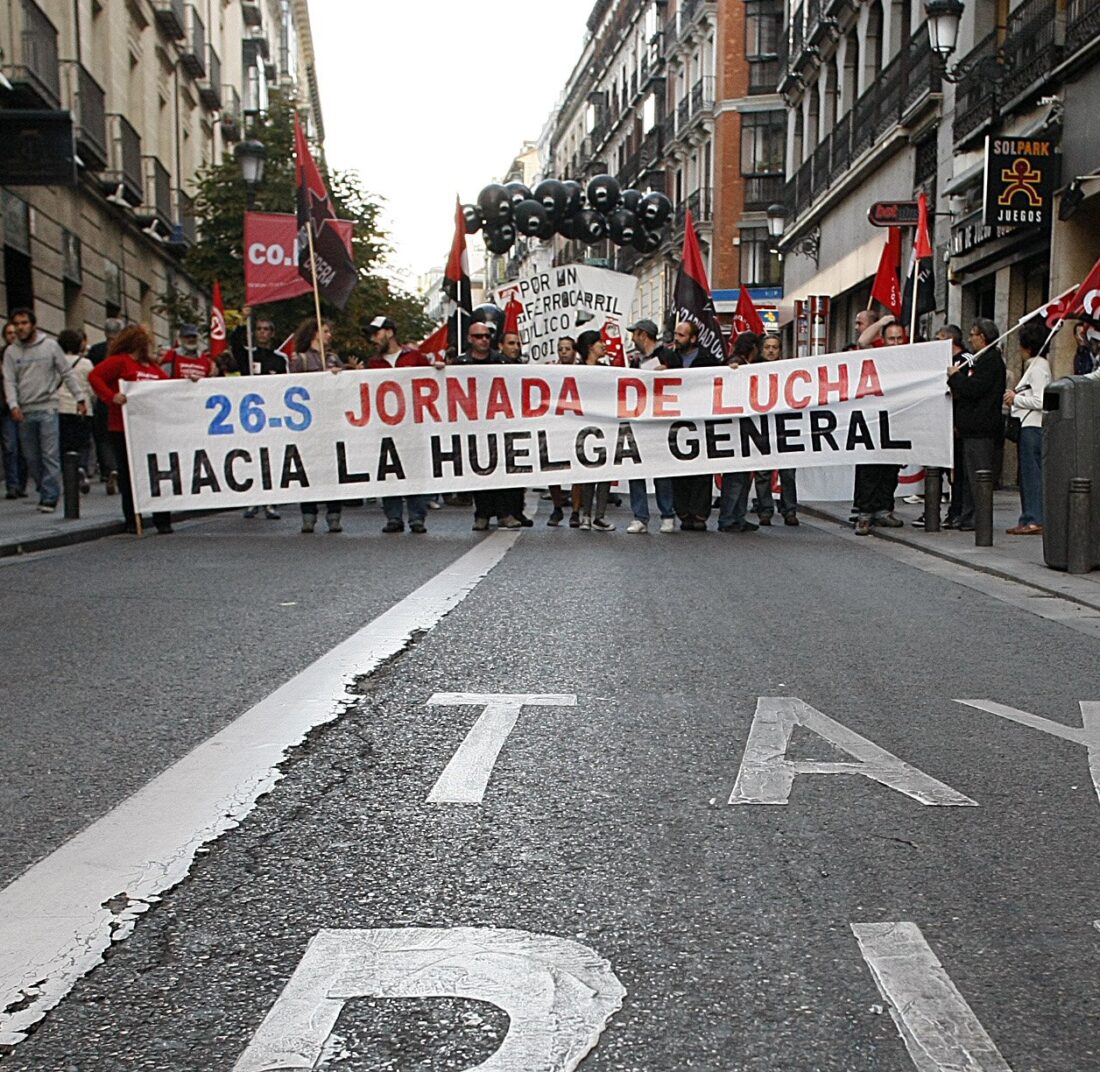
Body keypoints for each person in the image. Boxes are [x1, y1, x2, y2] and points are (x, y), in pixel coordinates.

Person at [86, 325, 172, 534]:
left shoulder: (152, 367)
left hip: (150, 429)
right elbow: (95, 377)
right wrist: (111, 397)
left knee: (155, 472)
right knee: (128, 473)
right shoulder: (120, 362)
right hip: (123, 428)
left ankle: (163, 518)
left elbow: (169, 386)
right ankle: (132, 518)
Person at [2, 308, 88, 512]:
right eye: (17, 323)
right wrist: (13, 405)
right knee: (31, 456)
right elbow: (9, 380)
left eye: (24, 323)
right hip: (25, 409)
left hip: (48, 406)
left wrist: (80, 398)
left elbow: (66, 372)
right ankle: (44, 488)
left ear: (33, 324)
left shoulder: (50, 347)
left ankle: (50, 496)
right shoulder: (11, 352)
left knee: (50, 454)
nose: (20, 327)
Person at [365, 315, 437, 534]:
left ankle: (417, 516)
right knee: (389, 470)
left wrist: (440, 370)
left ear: (389, 332)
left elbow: (431, 382)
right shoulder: (373, 363)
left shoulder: (415, 357)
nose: (373, 339)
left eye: (376, 333)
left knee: (415, 469)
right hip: (386, 426)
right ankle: (393, 517)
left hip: (413, 425)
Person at [457, 322, 520, 531]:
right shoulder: (460, 364)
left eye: (487, 335)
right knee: (479, 471)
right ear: (470, 339)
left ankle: (505, 513)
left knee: (502, 469)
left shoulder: (502, 362)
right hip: (474, 427)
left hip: (500, 424)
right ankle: (482, 514)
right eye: (478, 336)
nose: (483, 339)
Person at [947, 318, 1006, 533]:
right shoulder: (982, 359)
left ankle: (976, 517)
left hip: (981, 428)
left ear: (982, 337)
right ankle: (967, 515)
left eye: (973, 334)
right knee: (968, 476)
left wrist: (955, 378)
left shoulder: (991, 361)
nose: (970, 339)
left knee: (977, 476)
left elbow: (975, 389)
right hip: (971, 429)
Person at [853, 321, 908, 535]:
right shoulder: (875, 356)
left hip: (897, 420)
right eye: (891, 338)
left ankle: (884, 510)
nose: (895, 343)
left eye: (899, 338)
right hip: (873, 422)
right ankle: (864, 514)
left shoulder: (912, 357)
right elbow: (862, 341)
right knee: (870, 468)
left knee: (890, 468)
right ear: (883, 340)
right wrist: (882, 322)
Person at [290, 318, 344, 533]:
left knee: (333, 468)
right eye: (325, 331)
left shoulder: (333, 359)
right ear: (314, 333)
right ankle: (308, 513)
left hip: (331, 421)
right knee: (308, 468)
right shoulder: (300, 360)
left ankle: (334, 514)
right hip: (308, 424)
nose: (329, 335)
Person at [668, 320, 722, 530]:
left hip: (701, 422)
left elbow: (723, 375)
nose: (677, 338)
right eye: (676, 334)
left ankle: (699, 514)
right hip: (675, 422)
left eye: (681, 335)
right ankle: (683, 512)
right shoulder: (670, 359)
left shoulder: (707, 360)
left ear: (693, 338)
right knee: (678, 469)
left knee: (701, 470)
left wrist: (733, 369)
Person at [625, 319, 676, 534]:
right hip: (640, 421)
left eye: (634, 334)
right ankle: (640, 517)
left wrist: (669, 373)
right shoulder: (636, 362)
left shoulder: (668, 356)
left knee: (661, 470)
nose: (632, 338)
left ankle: (667, 514)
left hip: (662, 422)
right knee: (636, 468)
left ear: (642, 334)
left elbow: (685, 380)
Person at [1004, 318, 1051, 536]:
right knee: (1027, 475)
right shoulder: (1034, 367)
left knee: (1032, 475)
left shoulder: (1039, 368)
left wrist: (1016, 399)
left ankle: (1034, 518)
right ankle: (1029, 516)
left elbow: (1042, 401)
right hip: (1027, 425)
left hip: (1033, 426)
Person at [751, 335, 799, 526]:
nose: (771, 351)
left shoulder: (788, 372)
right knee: (763, 472)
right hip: (762, 426)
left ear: (780, 351)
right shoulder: (753, 371)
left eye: (775, 347)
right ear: (762, 349)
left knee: (788, 472)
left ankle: (789, 510)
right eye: (768, 347)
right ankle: (765, 510)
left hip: (784, 426)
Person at [717, 332, 761, 533]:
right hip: (736, 430)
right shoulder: (734, 365)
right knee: (736, 478)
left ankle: (738, 517)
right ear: (752, 348)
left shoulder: (746, 365)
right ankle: (728, 519)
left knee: (743, 477)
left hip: (744, 428)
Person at [573, 330, 614, 531]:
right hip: (583, 425)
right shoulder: (577, 370)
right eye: (600, 342)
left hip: (605, 425)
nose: (604, 345)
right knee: (587, 473)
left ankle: (599, 516)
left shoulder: (607, 369)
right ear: (590, 346)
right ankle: (586, 515)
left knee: (604, 472)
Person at [86, 317, 123, 494]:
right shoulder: (125, 352)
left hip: (103, 400)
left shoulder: (96, 350)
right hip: (121, 399)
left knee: (103, 438)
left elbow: (92, 375)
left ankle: (109, 469)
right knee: (118, 435)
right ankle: (118, 467)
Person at [57, 329, 94, 494]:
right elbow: (92, 389)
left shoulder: (56, 362)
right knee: (83, 443)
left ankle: (68, 476)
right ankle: (82, 468)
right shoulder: (86, 363)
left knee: (64, 444)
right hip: (82, 409)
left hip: (60, 407)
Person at [1, 319, 27, 498]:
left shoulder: (25, 354)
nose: (12, 335)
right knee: (10, 447)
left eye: (14, 332)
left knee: (25, 447)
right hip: (5, 408)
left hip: (25, 405)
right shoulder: (2, 355)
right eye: (9, 333)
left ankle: (21, 484)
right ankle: (12, 485)